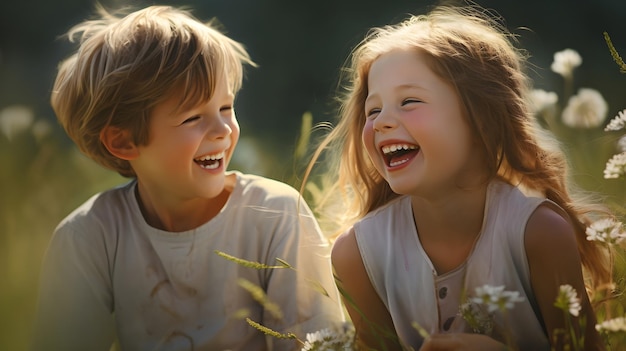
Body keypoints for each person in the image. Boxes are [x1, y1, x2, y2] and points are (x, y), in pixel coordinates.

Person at [32, 5, 344, 351]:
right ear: (123, 141)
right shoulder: (89, 237)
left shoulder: (276, 215)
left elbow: (320, 343)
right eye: (193, 117)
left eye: (226, 108)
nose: (223, 129)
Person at [305, 3, 611, 351]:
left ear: (481, 121)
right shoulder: (357, 255)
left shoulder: (539, 233)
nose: (381, 122)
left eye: (409, 101)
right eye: (373, 109)